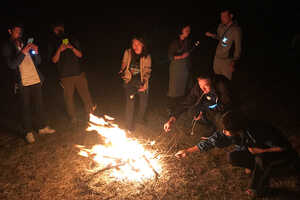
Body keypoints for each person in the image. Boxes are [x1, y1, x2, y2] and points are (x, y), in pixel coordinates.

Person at [175, 111, 300, 198]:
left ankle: (258, 189)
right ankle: (256, 168)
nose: (224, 132)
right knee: (233, 157)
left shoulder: (260, 130)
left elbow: (284, 147)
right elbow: (212, 141)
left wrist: (261, 151)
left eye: (226, 130)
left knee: (261, 160)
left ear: (237, 129)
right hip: (255, 151)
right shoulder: (233, 131)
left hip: (277, 155)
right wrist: (188, 151)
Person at [1, 23, 56, 143]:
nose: (19, 33)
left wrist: (36, 52)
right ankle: (28, 132)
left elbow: (38, 62)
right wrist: (23, 52)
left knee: (39, 104)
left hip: (35, 78)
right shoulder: (7, 46)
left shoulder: (25, 43)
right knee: (25, 107)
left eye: (20, 31)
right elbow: (11, 65)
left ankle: (42, 127)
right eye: (16, 31)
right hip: (23, 81)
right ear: (10, 31)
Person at [48, 22, 96, 127]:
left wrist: (72, 48)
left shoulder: (72, 39)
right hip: (65, 76)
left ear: (63, 28)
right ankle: (72, 117)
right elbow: (54, 60)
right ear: (54, 30)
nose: (59, 30)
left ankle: (91, 114)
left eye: (60, 27)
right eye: (57, 28)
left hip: (78, 73)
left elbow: (80, 55)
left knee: (86, 95)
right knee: (68, 98)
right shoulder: (53, 43)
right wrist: (59, 50)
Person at [164, 73, 232, 135]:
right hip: (208, 108)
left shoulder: (221, 85)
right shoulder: (198, 88)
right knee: (192, 112)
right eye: (200, 85)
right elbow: (187, 102)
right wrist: (172, 119)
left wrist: (206, 107)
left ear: (212, 82)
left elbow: (225, 105)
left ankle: (219, 132)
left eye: (206, 86)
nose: (203, 90)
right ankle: (210, 126)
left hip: (222, 111)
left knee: (224, 124)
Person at [119, 36, 151, 133]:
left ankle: (140, 120)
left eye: (137, 44)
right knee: (130, 103)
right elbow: (124, 63)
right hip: (130, 82)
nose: (135, 46)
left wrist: (144, 84)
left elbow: (147, 71)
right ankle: (128, 127)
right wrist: (122, 70)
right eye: (133, 44)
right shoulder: (128, 52)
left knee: (143, 103)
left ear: (142, 45)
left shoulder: (146, 56)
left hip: (141, 81)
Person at [205, 9, 242, 80]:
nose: (222, 19)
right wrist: (212, 35)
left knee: (225, 82)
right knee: (216, 80)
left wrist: (234, 62)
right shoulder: (220, 26)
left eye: (224, 16)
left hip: (227, 61)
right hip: (217, 58)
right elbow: (220, 38)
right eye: (221, 16)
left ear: (231, 16)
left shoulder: (236, 30)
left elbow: (238, 47)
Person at [167, 24, 193, 113]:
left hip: (184, 67)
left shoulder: (188, 41)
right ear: (181, 30)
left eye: (189, 30)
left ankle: (180, 107)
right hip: (176, 67)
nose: (188, 31)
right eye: (186, 29)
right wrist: (181, 56)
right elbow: (170, 56)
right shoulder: (175, 42)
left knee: (182, 87)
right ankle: (171, 107)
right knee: (174, 87)